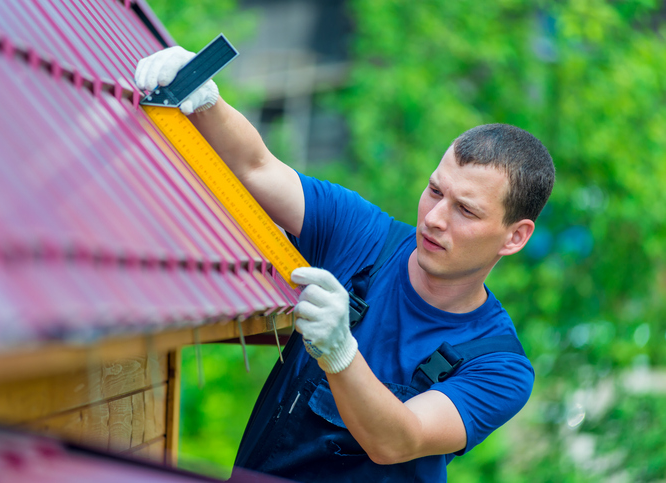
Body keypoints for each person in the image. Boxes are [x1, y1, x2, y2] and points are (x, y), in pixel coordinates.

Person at [135, 45, 555, 482]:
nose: (433, 218)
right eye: (434, 191)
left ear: (515, 236)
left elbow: (399, 439)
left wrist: (339, 352)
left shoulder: (498, 367)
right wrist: (205, 98)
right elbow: (256, 167)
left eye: (465, 211)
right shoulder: (362, 237)